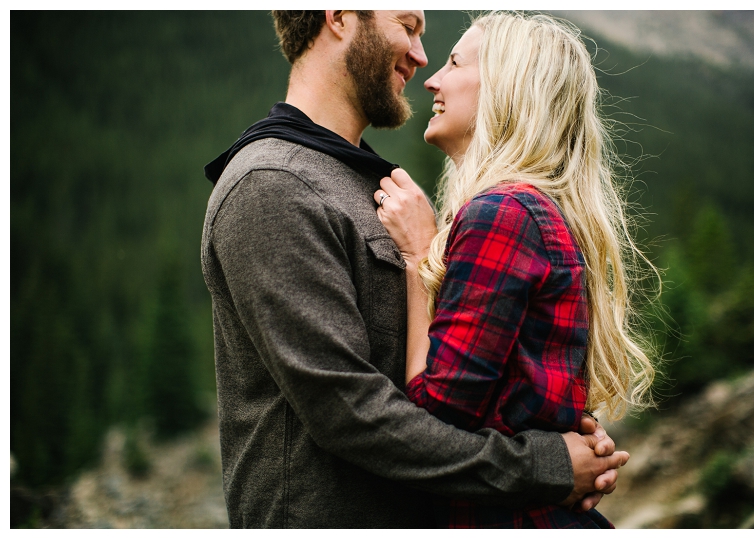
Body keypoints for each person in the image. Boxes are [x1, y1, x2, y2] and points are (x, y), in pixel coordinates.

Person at [201, 10, 628, 528]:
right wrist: (545, 464)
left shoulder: (374, 187)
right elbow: (349, 411)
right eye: (408, 26)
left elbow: (474, 368)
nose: (422, 59)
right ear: (339, 17)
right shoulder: (273, 184)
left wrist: (556, 422)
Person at [374, 12, 657, 528]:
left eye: (454, 62)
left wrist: (417, 257)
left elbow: (432, 421)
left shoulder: (502, 216)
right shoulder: (534, 210)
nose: (432, 79)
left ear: (506, 87)